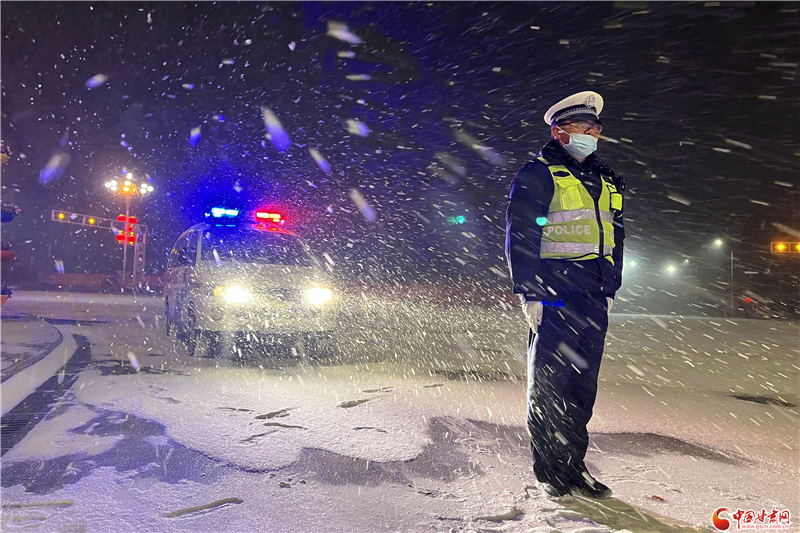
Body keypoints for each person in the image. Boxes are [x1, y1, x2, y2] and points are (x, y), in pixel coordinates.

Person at [504, 91, 625, 499]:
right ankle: (551, 472)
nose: (591, 134)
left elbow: (616, 236)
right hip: (555, 294)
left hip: (593, 296)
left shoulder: (606, 179)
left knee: (581, 389)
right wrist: (530, 293)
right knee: (550, 386)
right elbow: (522, 235)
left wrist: (610, 287)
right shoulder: (537, 174)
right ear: (559, 132)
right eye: (583, 127)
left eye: (595, 128)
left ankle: (574, 467)